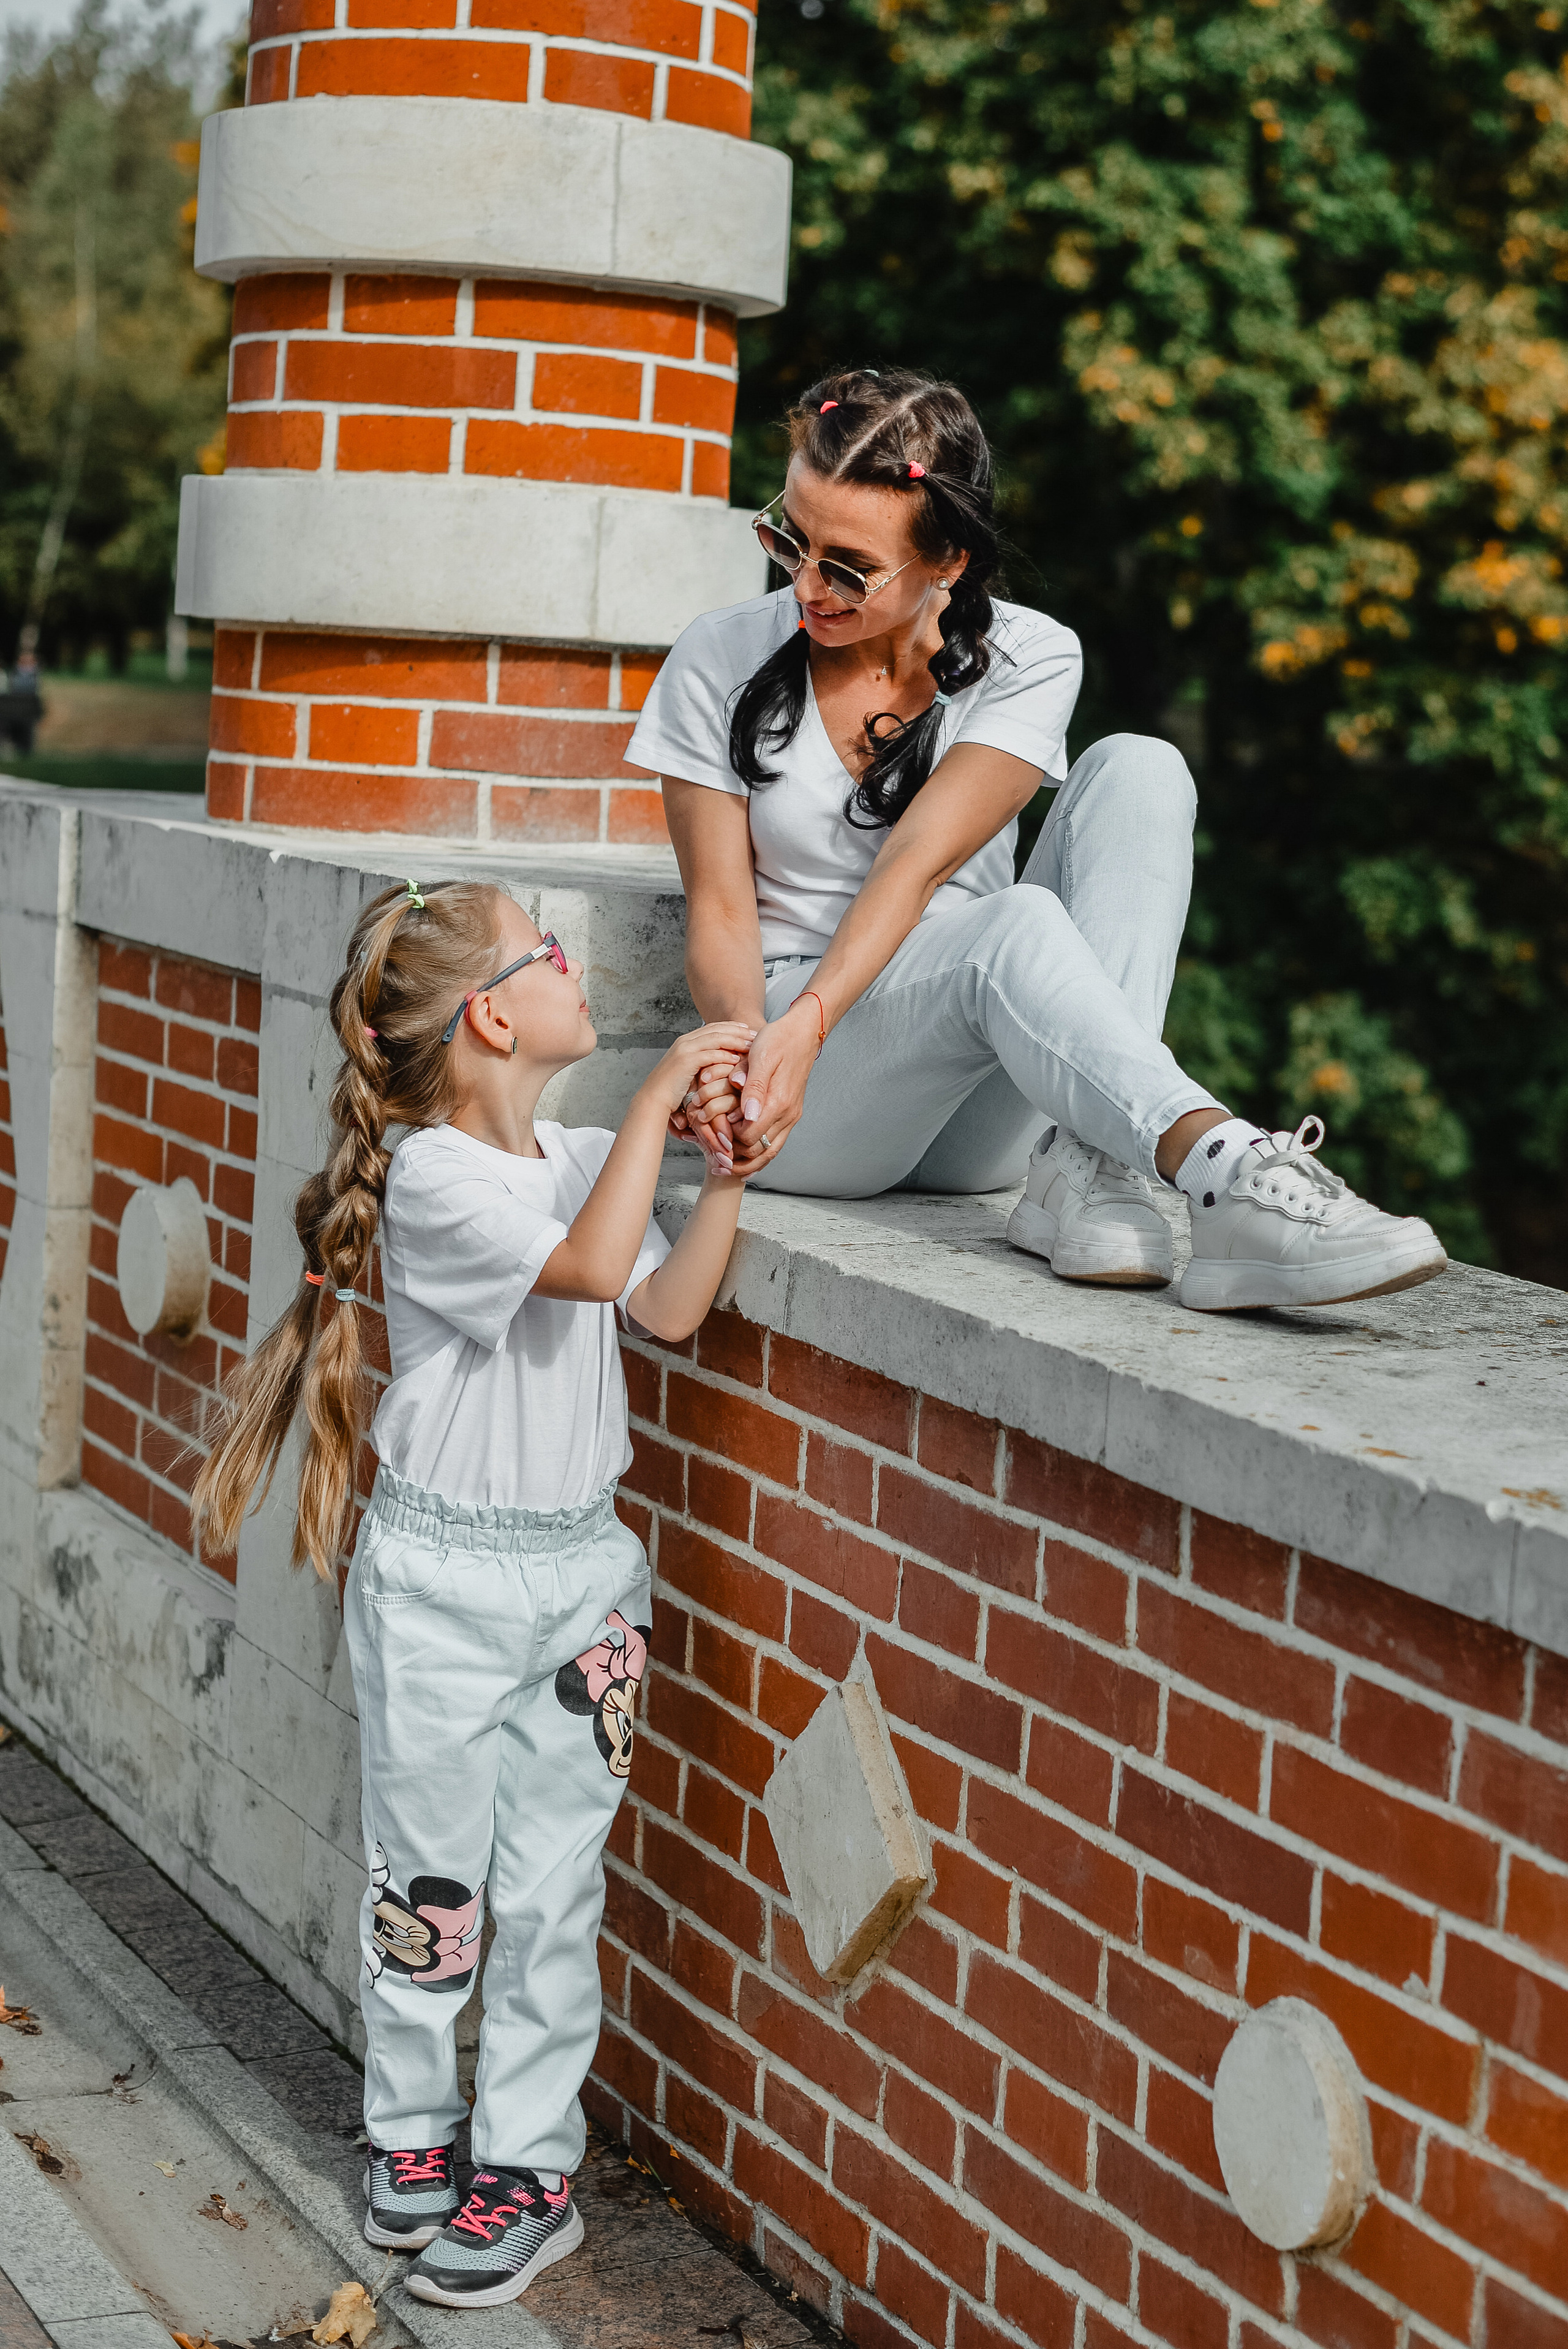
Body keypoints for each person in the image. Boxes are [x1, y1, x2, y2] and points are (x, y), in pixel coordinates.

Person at [193, 877, 755, 2307]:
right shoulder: (441, 1174)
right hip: (444, 1579)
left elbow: (663, 1305)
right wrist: (655, 1112)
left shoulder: (566, 1155)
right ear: (495, 1015)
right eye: (549, 952)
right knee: (428, 1887)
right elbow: (577, 1271)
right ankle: (409, 2136)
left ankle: (527, 2166)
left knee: (554, 1894)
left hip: (583, 1580)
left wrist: (729, 1178)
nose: (576, 967)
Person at [628, 367, 1447, 1313]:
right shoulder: (720, 654)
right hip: (807, 1092)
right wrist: (751, 1062)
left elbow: (919, 861)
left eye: (848, 566)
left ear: (950, 563)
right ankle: (1223, 1168)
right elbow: (723, 910)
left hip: (984, 1092)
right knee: (1010, 923)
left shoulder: (1031, 654)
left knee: (1142, 768)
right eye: (791, 538)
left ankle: (1091, 1168)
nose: (807, 584)